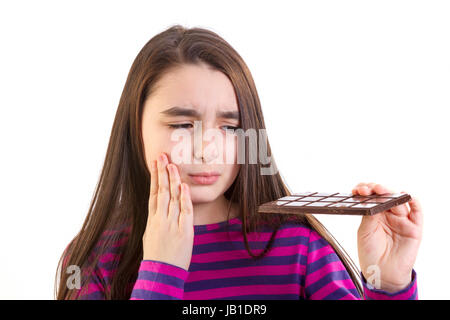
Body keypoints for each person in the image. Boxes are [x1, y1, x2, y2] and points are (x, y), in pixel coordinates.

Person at [55, 25, 422, 300]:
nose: (207, 149)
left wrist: (387, 284)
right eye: (183, 124)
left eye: (230, 127)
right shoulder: (92, 259)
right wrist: (160, 273)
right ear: (136, 127)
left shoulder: (299, 251)